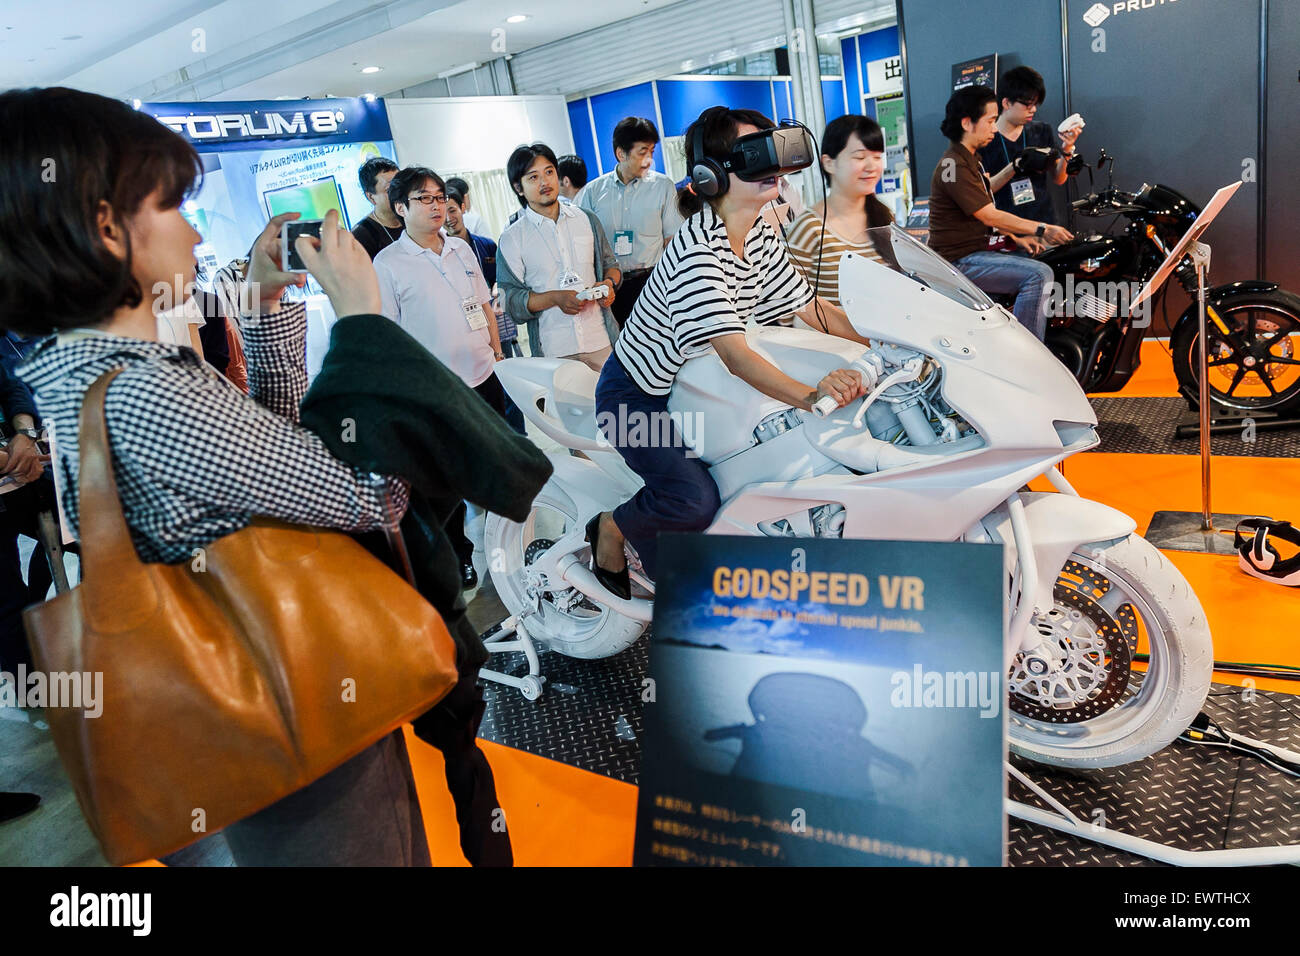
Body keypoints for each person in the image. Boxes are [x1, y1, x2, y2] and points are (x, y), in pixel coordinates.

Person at [1, 86, 433, 866]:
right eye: (171, 206)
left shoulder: (83, 369)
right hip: (289, 713)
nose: (196, 230)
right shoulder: (146, 389)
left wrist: (266, 300)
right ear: (106, 226)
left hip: (243, 706)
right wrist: (364, 319)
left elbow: (270, 443)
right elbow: (373, 492)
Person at [588, 106, 871, 594]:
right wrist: (811, 395)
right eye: (754, 153)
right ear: (711, 174)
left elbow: (812, 308)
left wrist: (890, 341)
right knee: (692, 500)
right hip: (633, 398)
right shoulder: (698, 252)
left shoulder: (760, 232)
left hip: (690, 386)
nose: (774, 167)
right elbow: (736, 357)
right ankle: (611, 527)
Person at [374, 166, 504, 590]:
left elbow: (483, 303)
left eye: (438, 196)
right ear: (399, 208)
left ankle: (510, 550)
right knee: (446, 486)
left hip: (483, 375)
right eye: (423, 199)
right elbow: (387, 334)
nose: (436, 205)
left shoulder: (461, 249)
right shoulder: (389, 263)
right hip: (436, 391)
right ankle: (460, 559)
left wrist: (497, 352)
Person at [927, 85, 1072, 340]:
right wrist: (1042, 229)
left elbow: (982, 204)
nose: (995, 128)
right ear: (967, 123)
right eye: (990, 121)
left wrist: (1015, 239)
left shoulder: (970, 159)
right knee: (1039, 275)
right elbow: (988, 214)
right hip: (958, 261)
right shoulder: (952, 164)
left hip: (975, 251)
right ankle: (1027, 355)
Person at [498, 143, 617, 373]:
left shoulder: (586, 219)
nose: (545, 182)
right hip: (554, 350)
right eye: (533, 177)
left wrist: (609, 284)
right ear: (518, 188)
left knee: (614, 407)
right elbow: (509, 300)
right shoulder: (512, 238)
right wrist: (554, 298)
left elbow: (611, 265)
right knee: (565, 409)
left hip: (601, 339)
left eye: (549, 172)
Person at [784, 114, 893, 321]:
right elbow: (788, 307)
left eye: (877, 157)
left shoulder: (885, 217)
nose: (871, 166)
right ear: (829, 163)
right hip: (835, 346)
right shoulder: (810, 227)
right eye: (860, 157)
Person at [578, 117, 683, 326]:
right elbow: (583, 243)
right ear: (621, 153)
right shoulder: (592, 192)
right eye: (642, 152)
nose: (649, 160)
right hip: (610, 289)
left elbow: (672, 240)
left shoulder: (663, 187)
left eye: (652, 152)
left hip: (652, 283)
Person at [977, 66, 1081, 227]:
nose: (1033, 109)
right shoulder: (985, 140)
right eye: (1027, 104)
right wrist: (1015, 166)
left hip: (1045, 223)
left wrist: (1067, 147)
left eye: (1035, 103)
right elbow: (983, 190)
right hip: (1007, 230)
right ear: (1006, 102)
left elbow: (1059, 179)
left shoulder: (1041, 131)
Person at [351, 156, 403, 260]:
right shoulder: (360, 236)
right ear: (371, 197)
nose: (399, 193)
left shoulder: (411, 217)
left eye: (400, 186)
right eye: (389, 190)